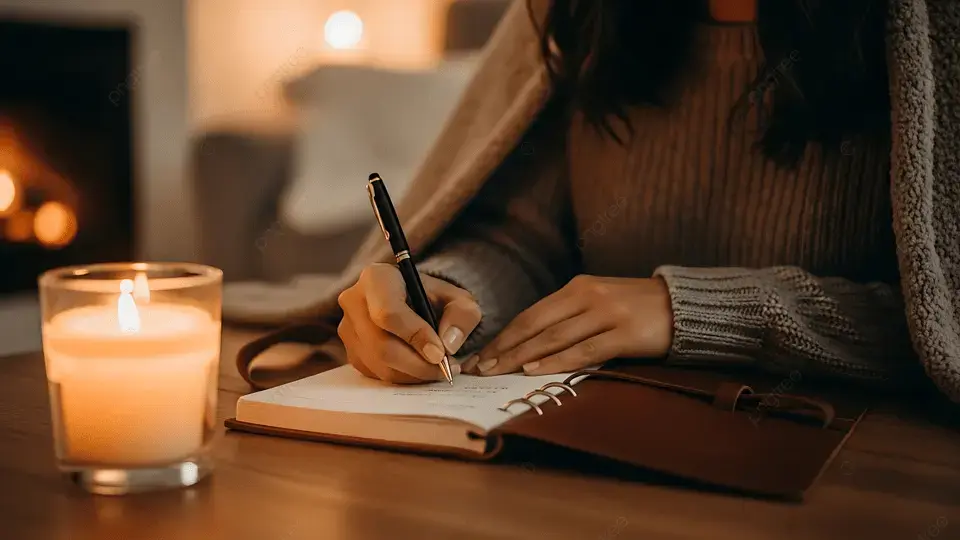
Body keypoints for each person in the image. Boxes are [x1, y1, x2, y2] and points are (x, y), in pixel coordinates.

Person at [236, 0, 960, 403]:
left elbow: (940, 316)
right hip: (587, 441)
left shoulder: (920, 35)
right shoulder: (584, 17)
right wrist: (447, 294)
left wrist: (688, 310)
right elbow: (523, 236)